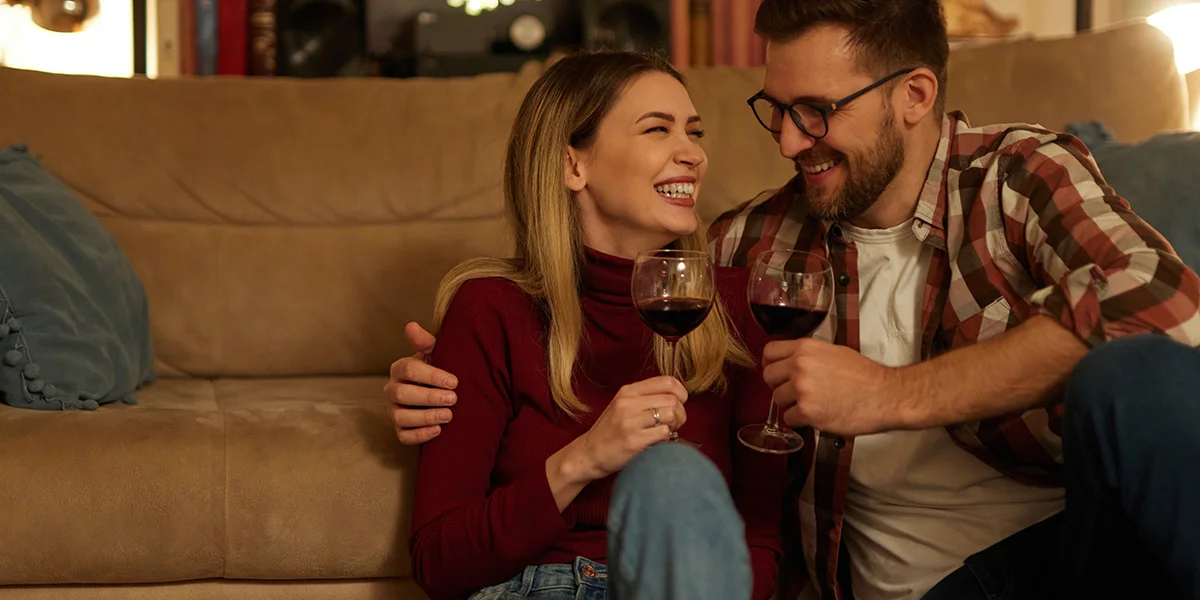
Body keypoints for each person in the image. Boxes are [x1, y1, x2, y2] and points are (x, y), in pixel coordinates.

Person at [389, 1, 1200, 599]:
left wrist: (888, 395)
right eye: (775, 112)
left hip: (1073, 556)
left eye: (815, 112)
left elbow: (1164, 302)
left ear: (914, 95)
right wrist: (440, 375)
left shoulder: (1019, 175)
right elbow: (586, 291)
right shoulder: (752, 250)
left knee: (1139, 381)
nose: (784, 143)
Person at [405, 50, 787, 600]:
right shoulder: (490, 308)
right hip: (537, 588)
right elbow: (438, 561)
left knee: (673, 475)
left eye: (694, 132)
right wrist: (584, 459)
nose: (694, 155)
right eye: (658, 129)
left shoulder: (733, 304)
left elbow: (759, 540)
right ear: (572, 165)